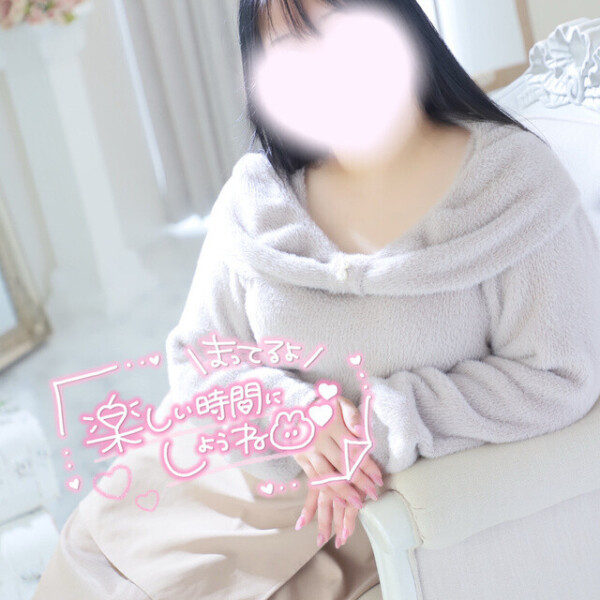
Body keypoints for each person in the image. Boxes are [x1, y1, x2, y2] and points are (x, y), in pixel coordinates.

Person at [33, 0, 600, 598]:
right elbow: (198, 362)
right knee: (83, 566)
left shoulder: (511, 182)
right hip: (209, 483)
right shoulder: (257, 197)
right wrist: (291, 413)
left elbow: (559, 375)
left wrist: (374, 426)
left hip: (362, 519)